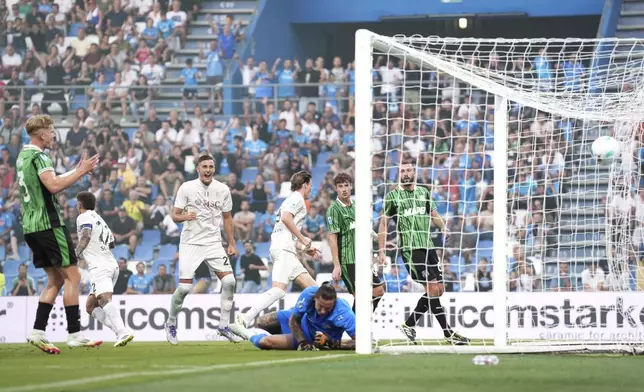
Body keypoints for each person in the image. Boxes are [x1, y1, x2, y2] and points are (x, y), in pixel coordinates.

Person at [18, 115, 100, 354]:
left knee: (55, 279)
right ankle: (74, 334)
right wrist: (80, 172)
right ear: (42, 134)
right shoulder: (40, 156)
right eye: (51, 131)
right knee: (74, 277)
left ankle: (37, 331)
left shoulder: (23, 156)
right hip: (49, 225)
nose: (54, 134)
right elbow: (53, 186)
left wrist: (78, 170)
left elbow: (48, 182)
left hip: (31, 227)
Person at [378, 160, 469, 346]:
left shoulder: (424, 192)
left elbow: (434, 215)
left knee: (439, 290)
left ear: (414, 172)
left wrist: (443, 228)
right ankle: (448, 333)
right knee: (432, 289)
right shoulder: (393, 197)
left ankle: (409, 324)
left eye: (408, 170)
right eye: (401, 170)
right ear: (398, 174)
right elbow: (383, 223)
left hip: (429, 247)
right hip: (411, 250)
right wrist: (381, 250)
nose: (405, 173)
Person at [164, 154, 240, 344]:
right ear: (197, 168)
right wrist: (185, 217)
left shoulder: (222, 189)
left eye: (211, 167)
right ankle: (171, 322)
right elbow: (174, 216)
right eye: (204, 166)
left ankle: (223, 326)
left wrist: (231, 243)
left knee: (230, 281)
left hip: (213, 243)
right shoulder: (187, 187)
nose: (208, 170)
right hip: (190, 243)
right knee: (184, 288)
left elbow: (228, 217)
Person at [235, 171, 320, 328]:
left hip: (286, 249)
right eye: (310, 186)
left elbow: (286, 232)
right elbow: (286, 218)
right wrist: (303, 239)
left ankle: (309, 326)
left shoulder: (289, 200)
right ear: (304, 185)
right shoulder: (297, 199)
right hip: (283, 250)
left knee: (316, 292)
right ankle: (246, 317)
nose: (311, 189)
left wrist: (303, 248)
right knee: (279, 290)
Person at [75, 191, 134, 347]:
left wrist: (75, 254)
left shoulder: (83, 217)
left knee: (104, 300)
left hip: (100, 266)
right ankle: (119, 332)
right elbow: (111, 243)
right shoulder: (99, 218)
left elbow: (86, 236)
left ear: (80, 204)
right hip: (110, 263)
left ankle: (123, 332)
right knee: (90, 306)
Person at [229, 284, 355, 350]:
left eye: (328, 308)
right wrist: (303, 343)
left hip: (311, 337)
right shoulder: (309, 293)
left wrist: (331, 342)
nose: (322, 311)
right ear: (315, 298)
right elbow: (294, 320)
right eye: (320, 306)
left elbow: (360, 342)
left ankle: (244, 332)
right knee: (261, 322)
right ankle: (285, 336)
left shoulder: (344, 312)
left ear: (335, 302)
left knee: (266, 343)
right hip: (300, 323)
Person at [326, 173, 385, 313]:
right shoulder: (333, 210)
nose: (344, 189)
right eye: (340, 186)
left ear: (351, 186)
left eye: (346, 185)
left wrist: (374, 235)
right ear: (336, 189)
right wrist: (336, 265)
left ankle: (356, 327)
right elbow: (332, 238)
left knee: (378, 290)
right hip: (348, 259)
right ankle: (356, 330)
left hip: (362, 259)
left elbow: (362, 226)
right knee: (360, 297)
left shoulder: (356, 205)